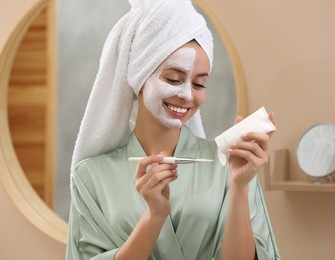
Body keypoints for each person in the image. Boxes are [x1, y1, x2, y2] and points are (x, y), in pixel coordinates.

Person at [66, 0, 281, 259]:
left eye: (199, 84)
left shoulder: (230, 163)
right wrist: (155, 216)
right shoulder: (91, 176)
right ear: (140, 77)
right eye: (174, 79)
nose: (187, 95)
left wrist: (240, 186)